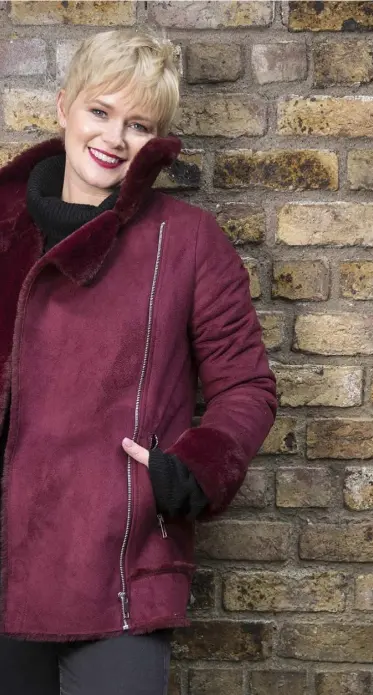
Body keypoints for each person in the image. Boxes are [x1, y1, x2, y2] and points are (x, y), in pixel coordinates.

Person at [0, 29, 277, 695]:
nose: (114, 138)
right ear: (63, 106)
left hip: (119, 558)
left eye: (138, 125)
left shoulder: (185, 242)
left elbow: (247, 386)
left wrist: (187, 470)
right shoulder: (6, 231)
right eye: (100, 112)